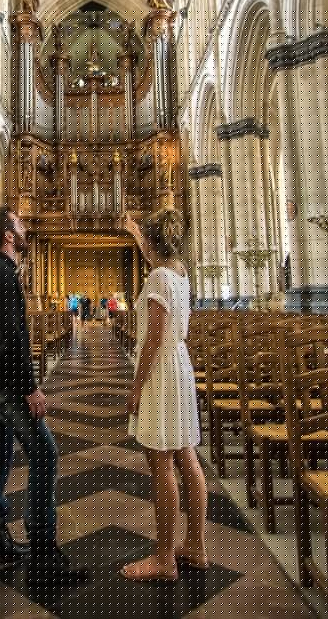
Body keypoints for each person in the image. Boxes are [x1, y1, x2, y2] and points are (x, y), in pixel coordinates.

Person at [0, 207, 90, 587]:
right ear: (7, 235)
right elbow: (11, 340)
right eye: (19, 224)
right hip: (8, 387)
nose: (24, 229)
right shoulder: (2, 277)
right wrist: (30, 388)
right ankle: (44, 555)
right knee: (45, 454)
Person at [120, 209, 207, 581]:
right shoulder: (179, 272)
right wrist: (138, 232)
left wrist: (136, 387)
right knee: (187, 456)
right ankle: (196, 546)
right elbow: (156, 258)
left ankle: (164, 558)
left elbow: (153, 339)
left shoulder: (157, 276)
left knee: (161, 465)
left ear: (154, 245)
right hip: (180, 366)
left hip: (161, 373)